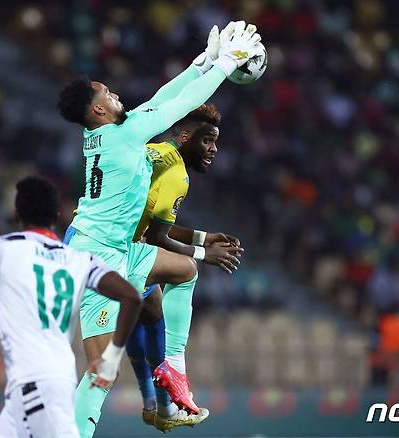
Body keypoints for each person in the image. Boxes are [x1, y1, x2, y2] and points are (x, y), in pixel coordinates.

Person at [57, 20, 261, 437]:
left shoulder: (107, 134)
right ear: (98, 110)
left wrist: (198, 65)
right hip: (95, 257)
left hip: (117, 248)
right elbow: (174, 108)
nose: (116, 94)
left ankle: (173, 372)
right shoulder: (125, 135)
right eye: (107, 93)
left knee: (185, 271)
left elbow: (158, 101)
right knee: (100, 371)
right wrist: (224, 66)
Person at [0, 176, 143, 438]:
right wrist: (113, 355)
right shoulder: (79, 259)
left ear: (16, 214)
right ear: (58, 215)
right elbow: (132, 297)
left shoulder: (1, 250)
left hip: (36, 384)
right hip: (40, 385)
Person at [127, 103, 244, 432]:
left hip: (98, 243)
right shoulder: (176, 173)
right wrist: (206, 254)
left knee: (149, 306)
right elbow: (157, 236)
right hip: (120, 252)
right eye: (207, 140)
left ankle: (156, 405)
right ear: (184, 136)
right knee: (186, 270)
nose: (213, 149)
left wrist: (205, 237)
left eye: (216, 142)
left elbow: (150, 223)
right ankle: (173, 372)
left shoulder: (153, 152)